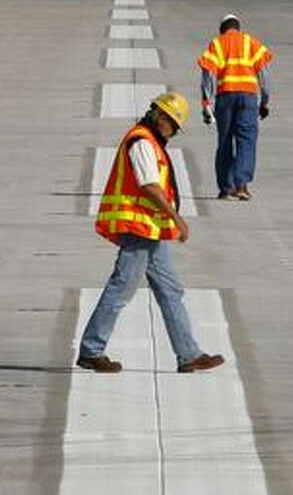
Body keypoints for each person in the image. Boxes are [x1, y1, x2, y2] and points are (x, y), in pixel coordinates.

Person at [76, 92, 226, 374]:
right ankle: (91, 350)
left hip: (151, 228)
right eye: (172, 124)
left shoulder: (152, 141)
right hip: (139, 227)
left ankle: (188, 354)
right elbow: (149, 185)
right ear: (160, 116)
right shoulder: (142, 142)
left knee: (170, 290)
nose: (173, 131)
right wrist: (177, 218)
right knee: (122, 287)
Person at [197, 14, 274, 201]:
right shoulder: (251, 43)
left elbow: (207, 74)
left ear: (222, 29)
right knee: (246, 141)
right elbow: (264, 75)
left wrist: (206, 103)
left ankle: (225, 188)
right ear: (238, 27)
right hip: (248, 98)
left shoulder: (217, 44)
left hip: (225, 97)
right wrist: (264, 101)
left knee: (224, 142)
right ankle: (241, 186)